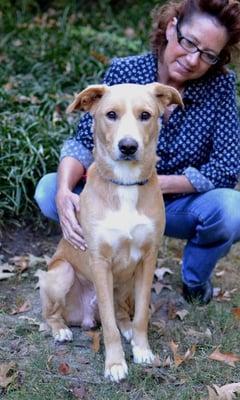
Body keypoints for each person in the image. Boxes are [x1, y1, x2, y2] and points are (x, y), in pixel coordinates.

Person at [35, 0, 240, 305]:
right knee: (49, 189)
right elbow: (81, 142)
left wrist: (153, 182)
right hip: (113, 194)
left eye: (208, 55)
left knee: (232, 209)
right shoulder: (126, 70)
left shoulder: (219, 87)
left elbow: (227, 166)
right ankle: (102, 263)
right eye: (189, 42)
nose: (193, 59)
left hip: (178, 204)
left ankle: (194, 279)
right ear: (172, 28)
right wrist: (65, 192)